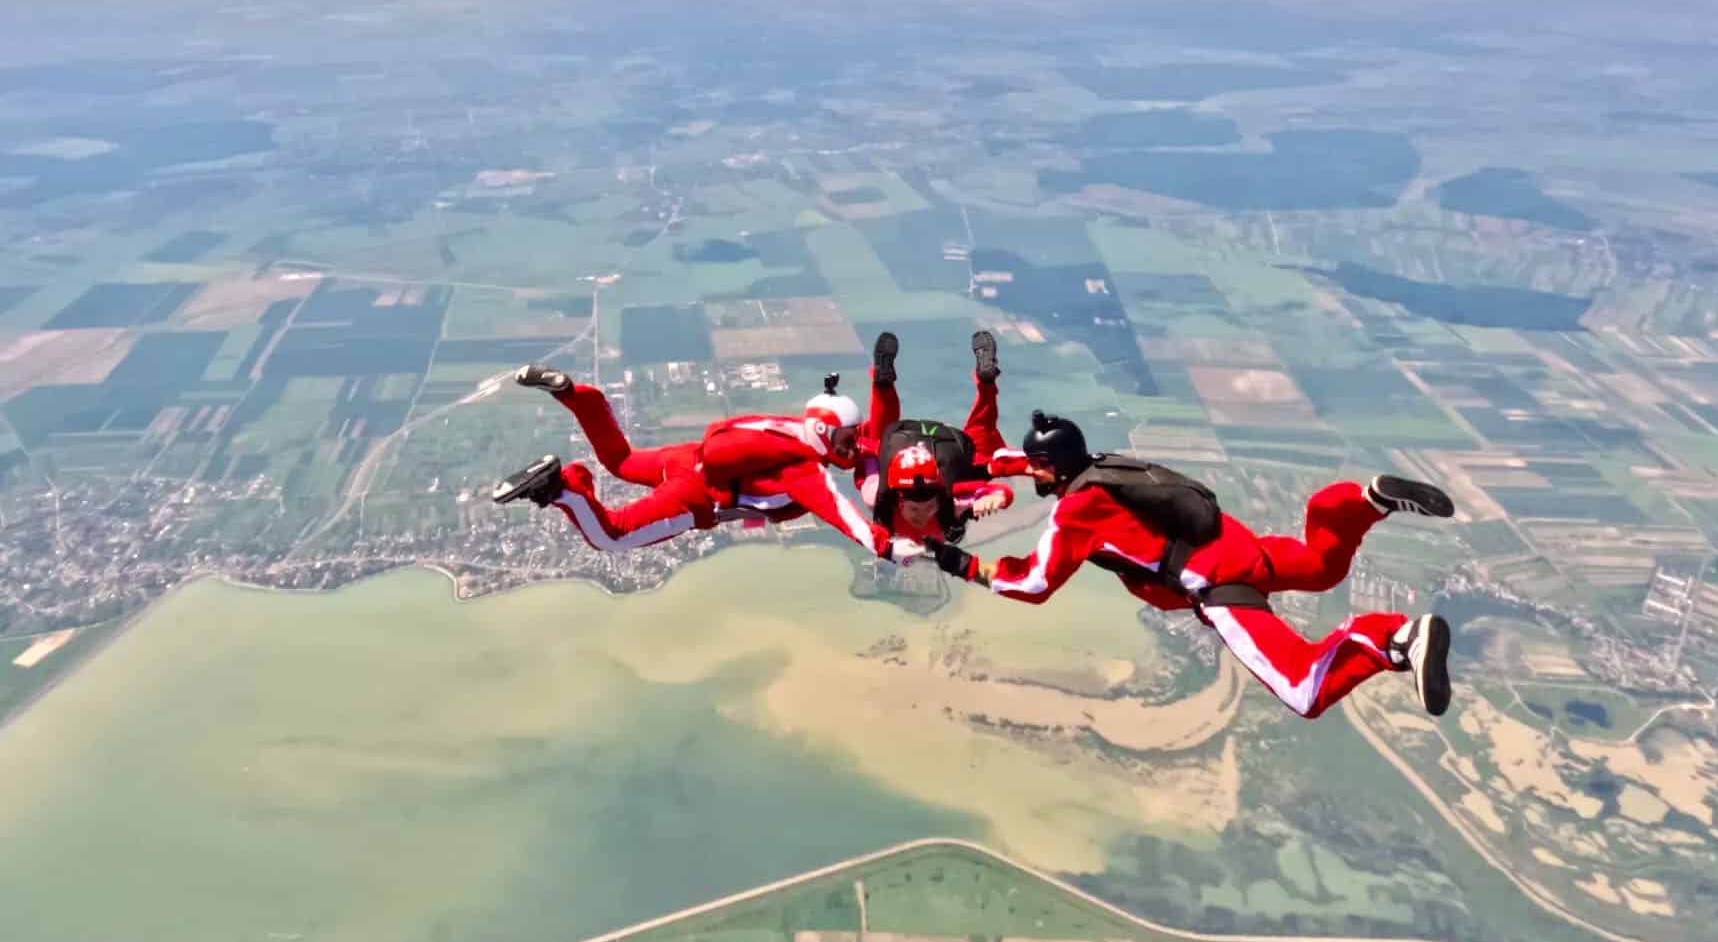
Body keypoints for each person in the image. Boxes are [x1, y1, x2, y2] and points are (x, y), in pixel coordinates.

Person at [931, 411, 1457, 719]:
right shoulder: (1103, 464)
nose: (1036, 476)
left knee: (1305, 689)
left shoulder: (1077, 512)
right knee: (1323, 566)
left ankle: (1392, 637)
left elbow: (1035, 583)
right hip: (1238, 543)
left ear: (1054, 469)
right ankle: (1353, 502)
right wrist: (976, 468)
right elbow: (1024, 463)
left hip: (1218, 582)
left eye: (1040, 469)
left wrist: (964, 565)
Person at [491, 367, 907, 559]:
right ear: (824, 435)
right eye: (847, 440)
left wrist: (882, 382)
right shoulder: (806, 471)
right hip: (695, 497)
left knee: (620, 459)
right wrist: (885, 546)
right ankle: (558, 487)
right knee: (611, 536)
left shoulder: (791, 427)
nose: (853, 448)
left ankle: (578, 395)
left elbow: (875, 433)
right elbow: (843, 516)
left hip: (686, 458)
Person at [856, 329, 1023, 547]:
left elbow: (868, 458)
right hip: (923, 444)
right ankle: (883, 385)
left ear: (900, 500)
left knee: (879, 445)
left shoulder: (876, 496)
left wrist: (864, 448)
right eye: (918, 509)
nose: (921, 515)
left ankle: (986, 385)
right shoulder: (952, 502)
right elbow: (998, 492)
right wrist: (998, 498)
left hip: (925, 446)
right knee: (881, 443)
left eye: (925, 508)